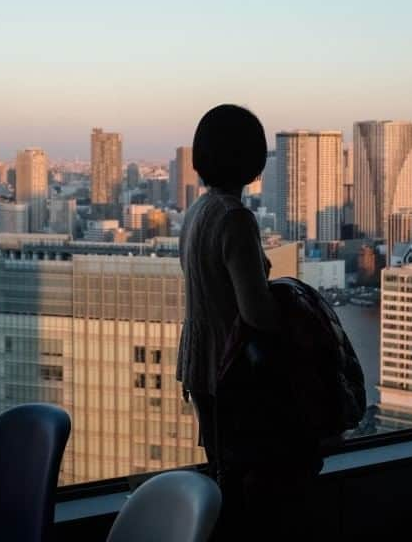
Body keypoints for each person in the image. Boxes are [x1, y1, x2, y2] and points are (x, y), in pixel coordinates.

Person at [176, 104, 322, 540]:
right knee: (253, 490)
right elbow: (255, 311)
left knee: (223, 474)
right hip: (234, 368)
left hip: (201, 360)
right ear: (254, 163)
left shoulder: (197, 212)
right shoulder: (235, 219)